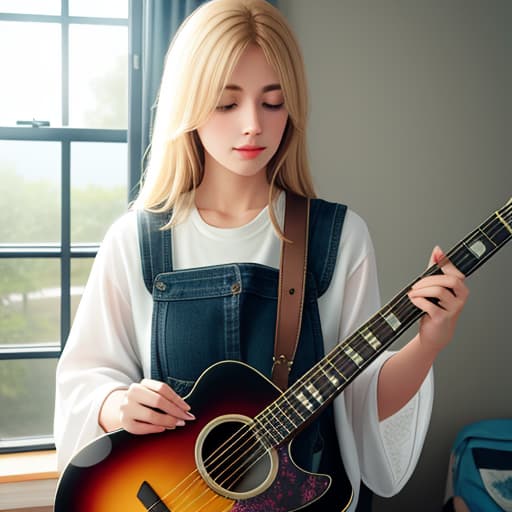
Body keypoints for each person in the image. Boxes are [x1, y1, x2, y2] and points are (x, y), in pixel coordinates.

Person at [54, 0, 469, 510]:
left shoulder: (340, 237)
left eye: (272, 103)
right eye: (227, 104)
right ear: (189, 105)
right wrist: (115, 405)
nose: (252, 125)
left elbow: (361, 405)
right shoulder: (134, 239)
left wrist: (430, 342)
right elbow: (83, 383)